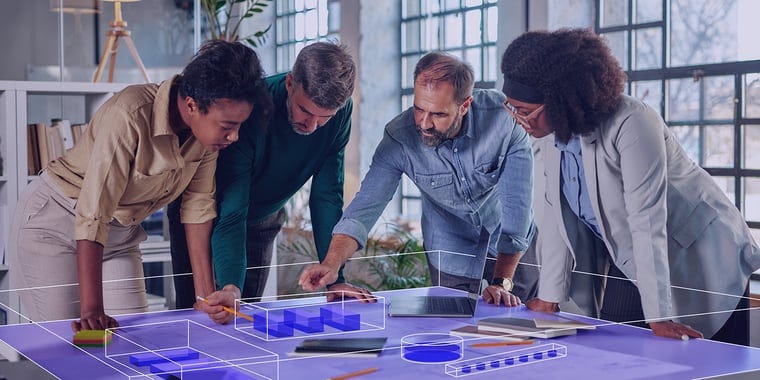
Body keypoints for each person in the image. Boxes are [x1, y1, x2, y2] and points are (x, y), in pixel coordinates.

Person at [500, 28, 760, 344]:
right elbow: (555, 219)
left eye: (525, 112)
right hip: (633, 256)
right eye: (512, 109)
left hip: (704, 254)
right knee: (622, 353)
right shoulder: (553, 136)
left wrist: (659, 316)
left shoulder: (633, 122)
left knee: (711, 362)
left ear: (561, 100)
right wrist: (550, 297)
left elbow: (646, 221)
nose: (518, 120)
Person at [7, 40, 271, 332]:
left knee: (134, 343)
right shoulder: (129, 114)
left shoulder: (206, 140)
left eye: (238, 127)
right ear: (193, 105)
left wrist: (205, 297)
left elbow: (197, 208)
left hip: (119, 234)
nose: (233, 137)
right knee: (73, 347)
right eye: (226, 126)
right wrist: (93, 309)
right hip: (55, 224)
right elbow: (93, 212)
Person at [299, 51, 535, 306]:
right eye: (419, 109)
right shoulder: (399, 138)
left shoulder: (503, 121)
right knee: (455, 332)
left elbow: (517, 209)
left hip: (512, 246)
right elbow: (363, 210)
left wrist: (501, 283)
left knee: (521, 322)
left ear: (465, 105)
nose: (424, 123)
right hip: (450, 248)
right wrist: (331, 264)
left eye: (438, 114)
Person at [168, 41, 365, 315]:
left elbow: (326, 195)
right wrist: (230, 285)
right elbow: (232, 209)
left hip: (263, 218)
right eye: (305, 111)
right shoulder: (252, 108)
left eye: (325, 118)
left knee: (244, 314)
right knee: (200, 312)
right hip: (206, 214)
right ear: (289, 83)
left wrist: (335, 277)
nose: (312, 126)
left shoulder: (340, 113)